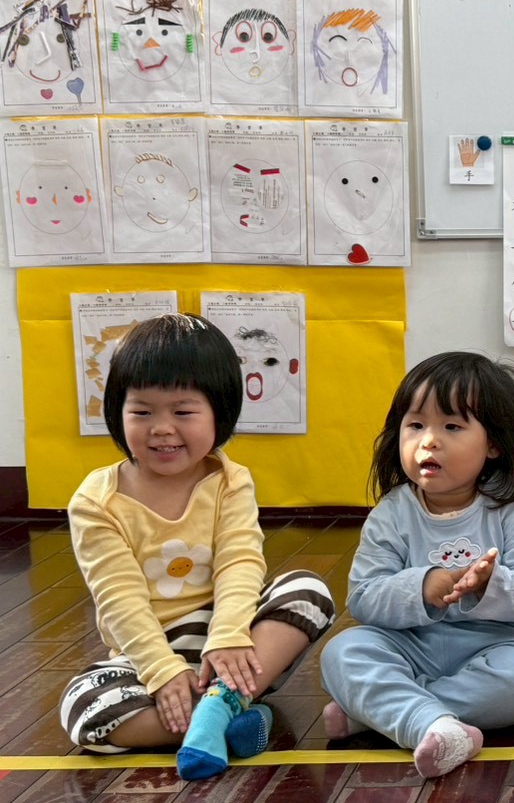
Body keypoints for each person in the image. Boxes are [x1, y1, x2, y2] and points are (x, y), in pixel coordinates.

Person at [58, 313, 335, 779]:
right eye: (142, 412)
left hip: (233, 645)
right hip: (146, 654)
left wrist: (228, 636)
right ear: (116, 412)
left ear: (220, 412)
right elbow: (119, 599)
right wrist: (162, 671)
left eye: (183, 413)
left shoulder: (229, 481)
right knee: (82, 708)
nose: (161, 428)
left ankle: (216, 705)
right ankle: (223, 720)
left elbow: (239, 562)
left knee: (307, 590)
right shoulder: (95, 501)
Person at [319, 352, 514, 778]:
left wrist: (490, 584)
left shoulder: (513, 507)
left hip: (496, 643)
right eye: (415, 425)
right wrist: (422, 586)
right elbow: (364, 597)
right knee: (341, 652)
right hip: (410, 644)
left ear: (494, 444)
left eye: (451, 427)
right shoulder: (392, 512)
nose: (429, 441)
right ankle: (427, 721)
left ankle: (392, 713)